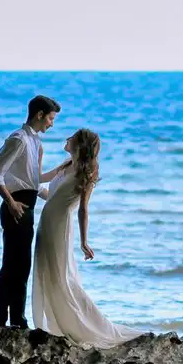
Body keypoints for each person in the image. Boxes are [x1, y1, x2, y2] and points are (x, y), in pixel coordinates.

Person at [31, 128, 147, 348]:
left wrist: (84, 241)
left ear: (80, 144)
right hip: (46, 223)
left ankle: (86, 325)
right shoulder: (66, 165)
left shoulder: (89, 169)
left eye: (72, 137)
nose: (67, 139)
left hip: (60, 226)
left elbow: (83, 208)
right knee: (46, 272)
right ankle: (56, 323)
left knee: (62, 276)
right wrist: (38, 158)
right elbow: (44, 188)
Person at [0, 94, 59, 329]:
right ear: (39, 115)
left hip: (28, 207)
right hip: (15, 206)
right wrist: (10, 202)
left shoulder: (36, 143)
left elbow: (34, 182)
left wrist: (61, 190)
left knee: (23, 267)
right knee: (10, 266)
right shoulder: (18, 139)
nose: (51, 123)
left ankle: (18, 319)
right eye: (50, 118)